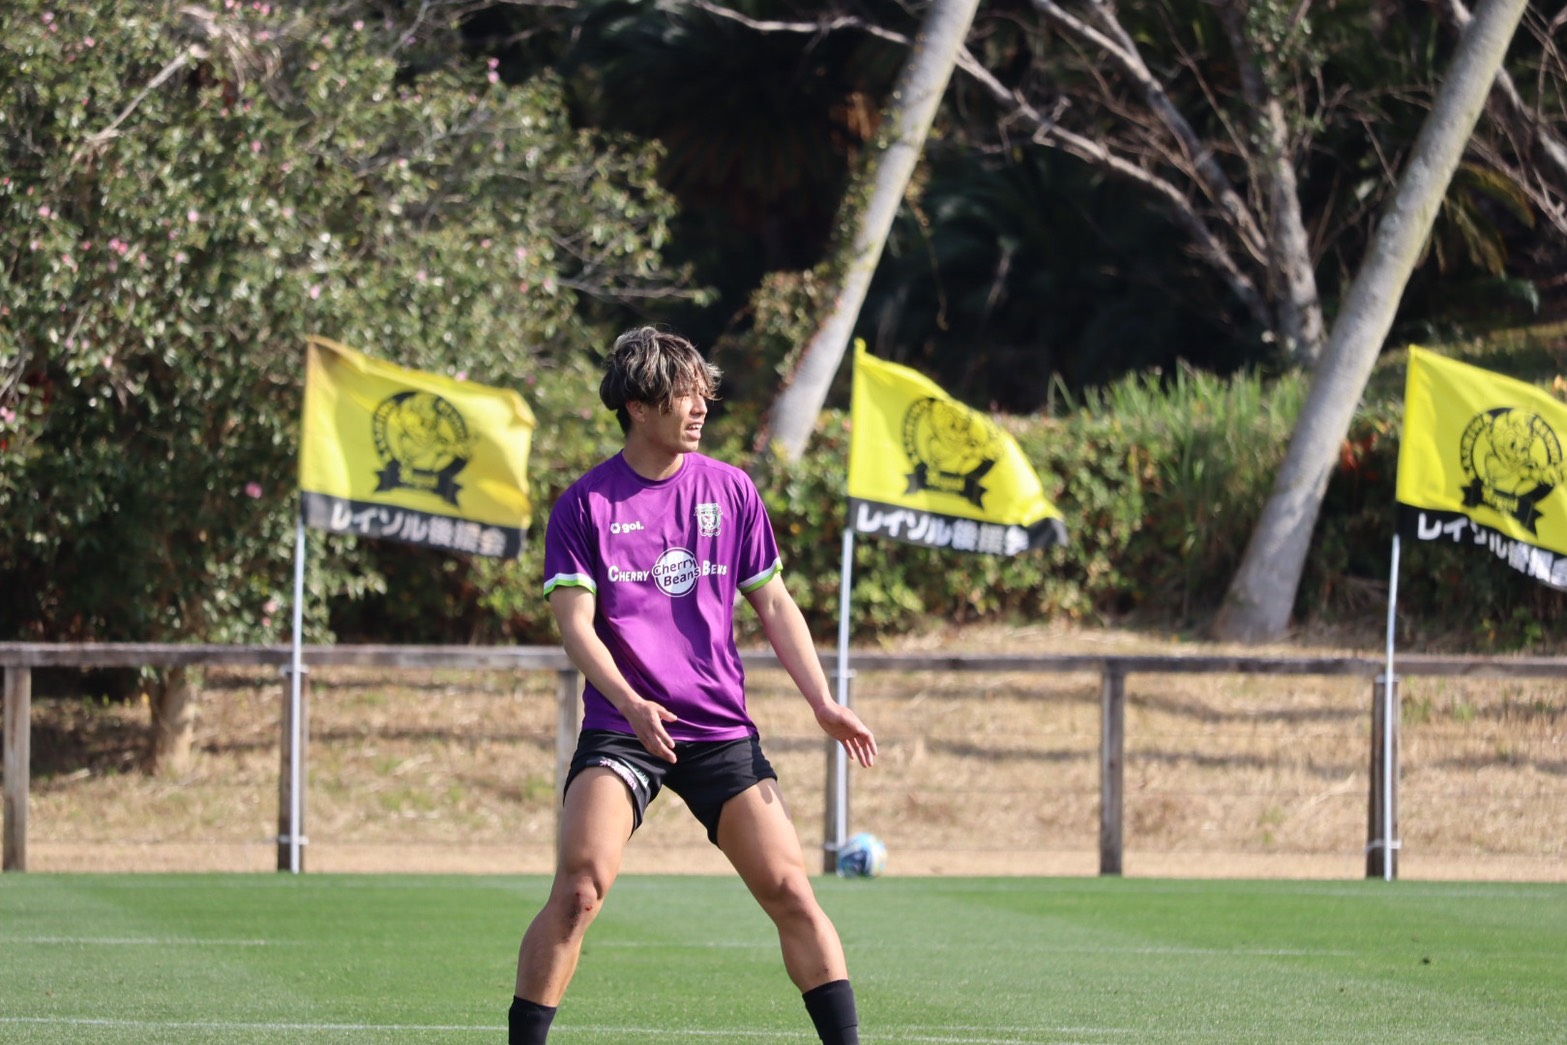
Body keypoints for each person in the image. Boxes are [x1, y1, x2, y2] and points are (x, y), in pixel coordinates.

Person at [509, 326, 878, 1045]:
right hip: (623, 727)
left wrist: (823, 701)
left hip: (717, 728)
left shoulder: (731, 489)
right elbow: (576, 628)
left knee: (790, 890)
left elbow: (775, 605)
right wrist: (630, 702)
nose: (700, 407)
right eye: (683, 395)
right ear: (638, 406)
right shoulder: (585, 505)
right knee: (580, 888)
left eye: (703, 393)